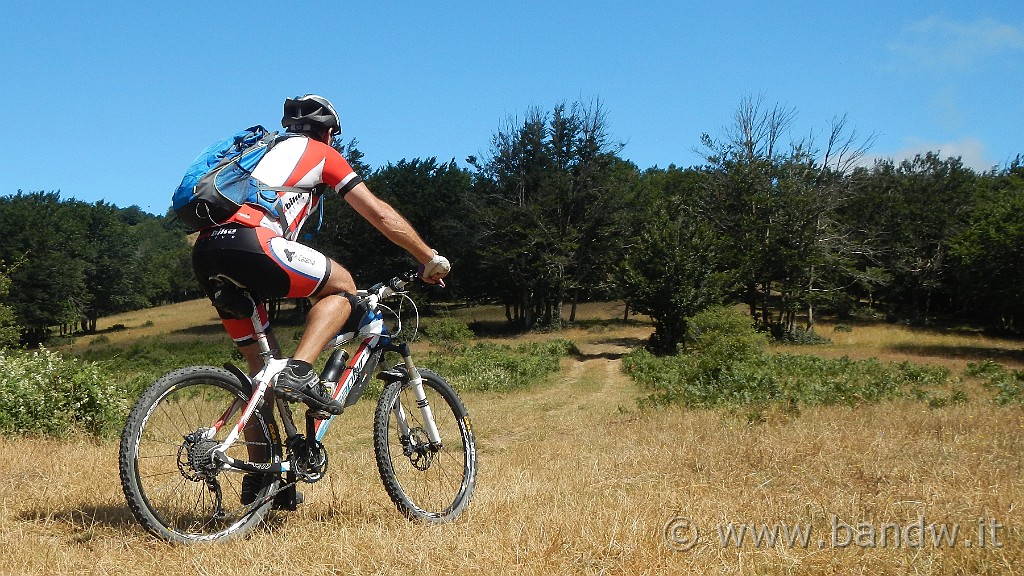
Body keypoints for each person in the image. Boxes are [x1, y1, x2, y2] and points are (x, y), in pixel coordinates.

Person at [191, 94, 451, 417]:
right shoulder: (321, 154)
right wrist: (428, 258)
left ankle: (259, 467)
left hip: (206, 251)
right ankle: (300, 372)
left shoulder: (259, 154)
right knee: (343, 286)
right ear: (328, 133)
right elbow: (380, 215)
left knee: (261, 376)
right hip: (252, 240)